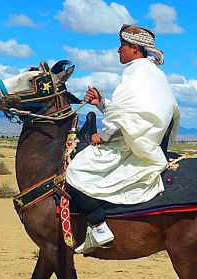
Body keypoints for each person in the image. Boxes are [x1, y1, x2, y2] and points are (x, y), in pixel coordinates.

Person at [66, 24, 180, 254]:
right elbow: (129, 112)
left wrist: (102, 136)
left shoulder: (136, 71)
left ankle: (98, 226)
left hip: (132, 145)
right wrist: (101, 104)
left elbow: (121, 116)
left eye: (122, 46)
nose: (118, 51)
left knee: (74, 171)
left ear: (135, 49)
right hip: (145, 141)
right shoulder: (153, 73)